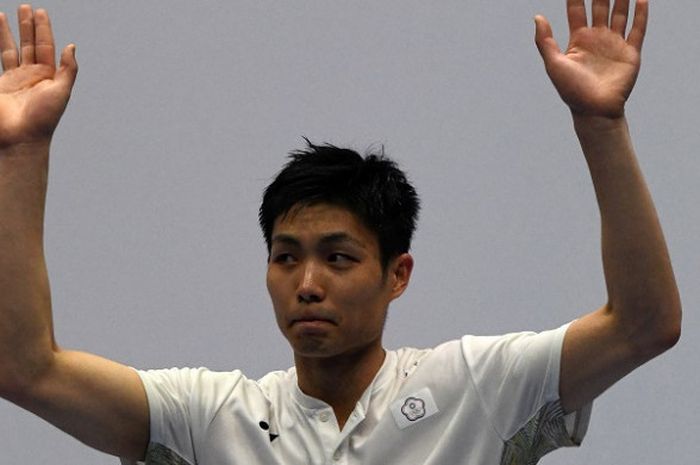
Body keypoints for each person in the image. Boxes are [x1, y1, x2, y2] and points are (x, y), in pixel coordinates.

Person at [0, 1, 681, 464]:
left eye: (338, 257)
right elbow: (25, 369)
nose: (307, 284)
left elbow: (645, 325)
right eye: (285, 257)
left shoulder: (478, 386)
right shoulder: (208, 419)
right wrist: (23, 149)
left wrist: (601, 124)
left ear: (398, 274)